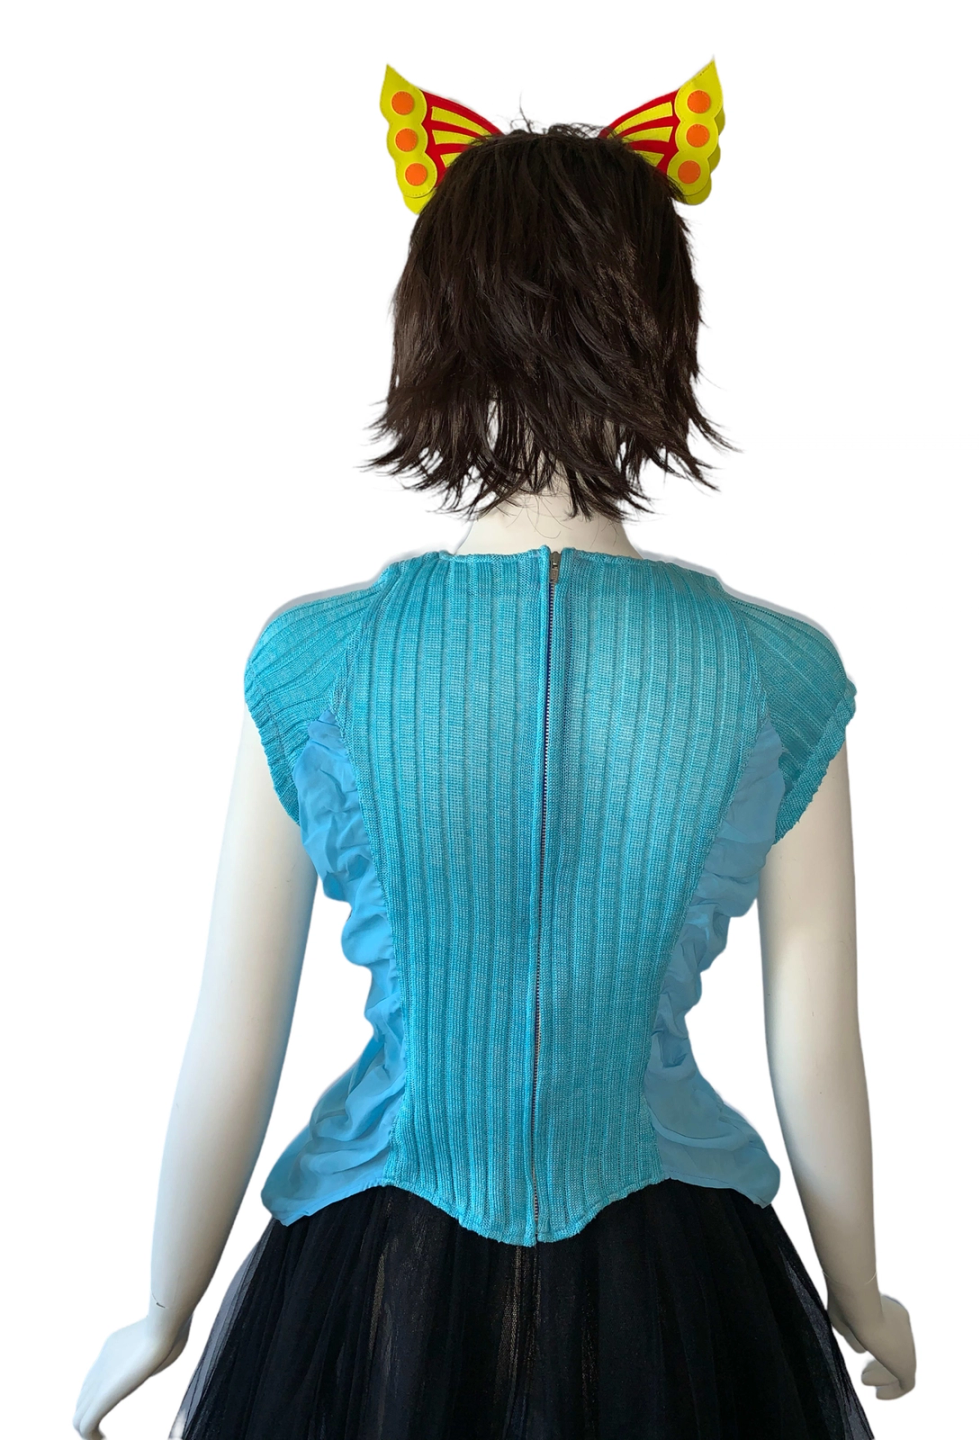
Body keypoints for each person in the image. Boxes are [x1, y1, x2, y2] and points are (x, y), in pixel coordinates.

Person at [74, 63, 916, 1440]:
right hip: (688, 1286)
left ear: (435, 333)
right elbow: (816, 1040)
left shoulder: (322, 663)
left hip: (373, 1278)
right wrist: (859, 1289)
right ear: (663, 336)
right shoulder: (774, 675)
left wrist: (165, 1306)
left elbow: (233, 1028)